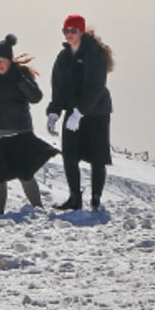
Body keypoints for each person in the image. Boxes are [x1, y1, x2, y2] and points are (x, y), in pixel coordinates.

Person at [0, 34, 59, 215]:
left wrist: (19, 79)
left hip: (18, 134)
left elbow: (35, 97)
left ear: (9, 60)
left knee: (25, 174)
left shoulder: (20, 76)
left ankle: (38, 209)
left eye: (1, 60)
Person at [45, 14, 115, 211]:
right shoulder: (64, 56)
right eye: (66, 31)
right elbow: (58, 87)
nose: (69, 35)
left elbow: (97, 86)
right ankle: (75, 198)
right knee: (69, 155)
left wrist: (80, 112)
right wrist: (54, 112)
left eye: (73, 31)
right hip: (73, 111)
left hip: (97, 111)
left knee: (97, 157)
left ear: (81, 31)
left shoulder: (95, 53)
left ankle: (95, 198)